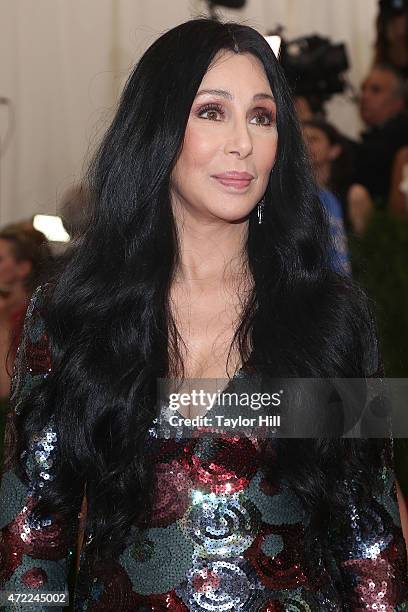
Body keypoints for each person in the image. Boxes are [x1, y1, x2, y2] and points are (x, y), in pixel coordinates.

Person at [1, 19, 407, 610]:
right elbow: (32, 535)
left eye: (262, 116)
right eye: (212, 111)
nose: (242, 140)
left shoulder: (330, 317)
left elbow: (368, 540)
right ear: (159, 128)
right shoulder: (75, 311)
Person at [302, 119, 375, 235]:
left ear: (334, 150)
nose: (305, 145)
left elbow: (368, 246)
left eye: (313, 140)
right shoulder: (292, 192)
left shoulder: (354, 195)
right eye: (300, 140)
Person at [354, 63, 408, 209]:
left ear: (398, 102)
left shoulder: (400, 135)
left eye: (375, 90)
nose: (364, 96)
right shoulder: (374, 135)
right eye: (363, 89)